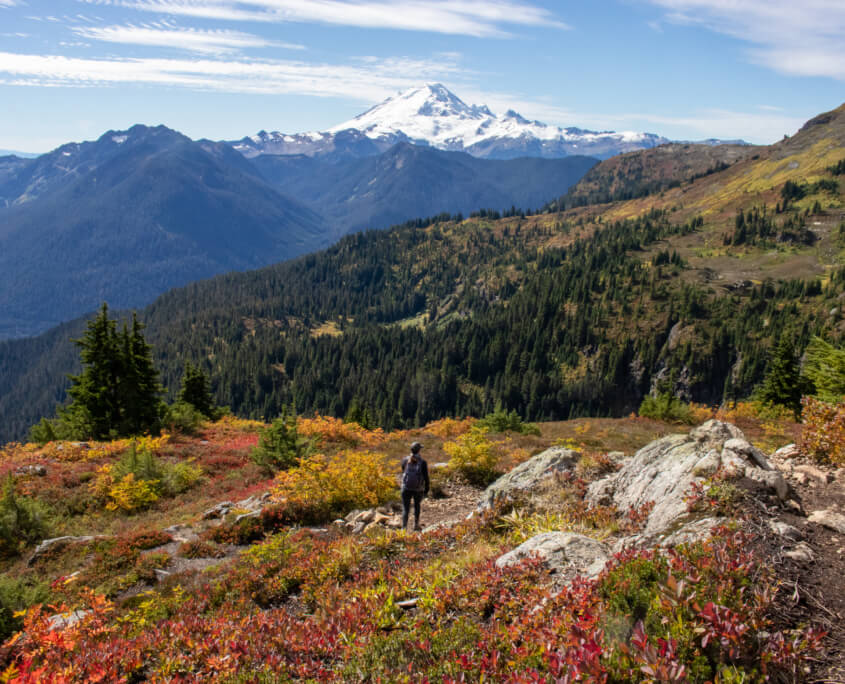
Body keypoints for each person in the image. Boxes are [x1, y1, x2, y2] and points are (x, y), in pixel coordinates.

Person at [400, 441, 429, 531]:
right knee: (417, 506)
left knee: (406, 508)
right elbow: (426, 477)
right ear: (419, 450)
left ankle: (404, 528)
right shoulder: (423, 462)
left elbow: (403, 471)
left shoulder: (405, 460)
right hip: (418, 488)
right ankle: (416, 525)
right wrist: (427, 489)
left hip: (406, 488)